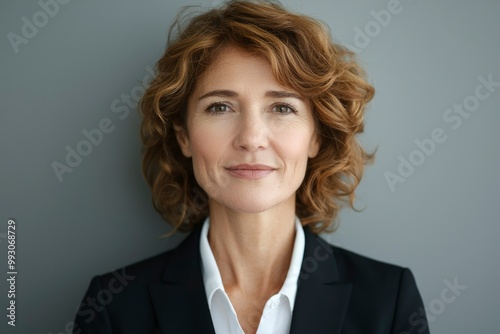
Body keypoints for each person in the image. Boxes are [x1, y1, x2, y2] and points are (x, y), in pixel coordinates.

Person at [74, 1, 430, 333]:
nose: (251, 138)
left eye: (282, 108)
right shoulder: (113, 306)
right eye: (220, 107)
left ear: (316, 137)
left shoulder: (389, 300)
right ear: (183, 136)